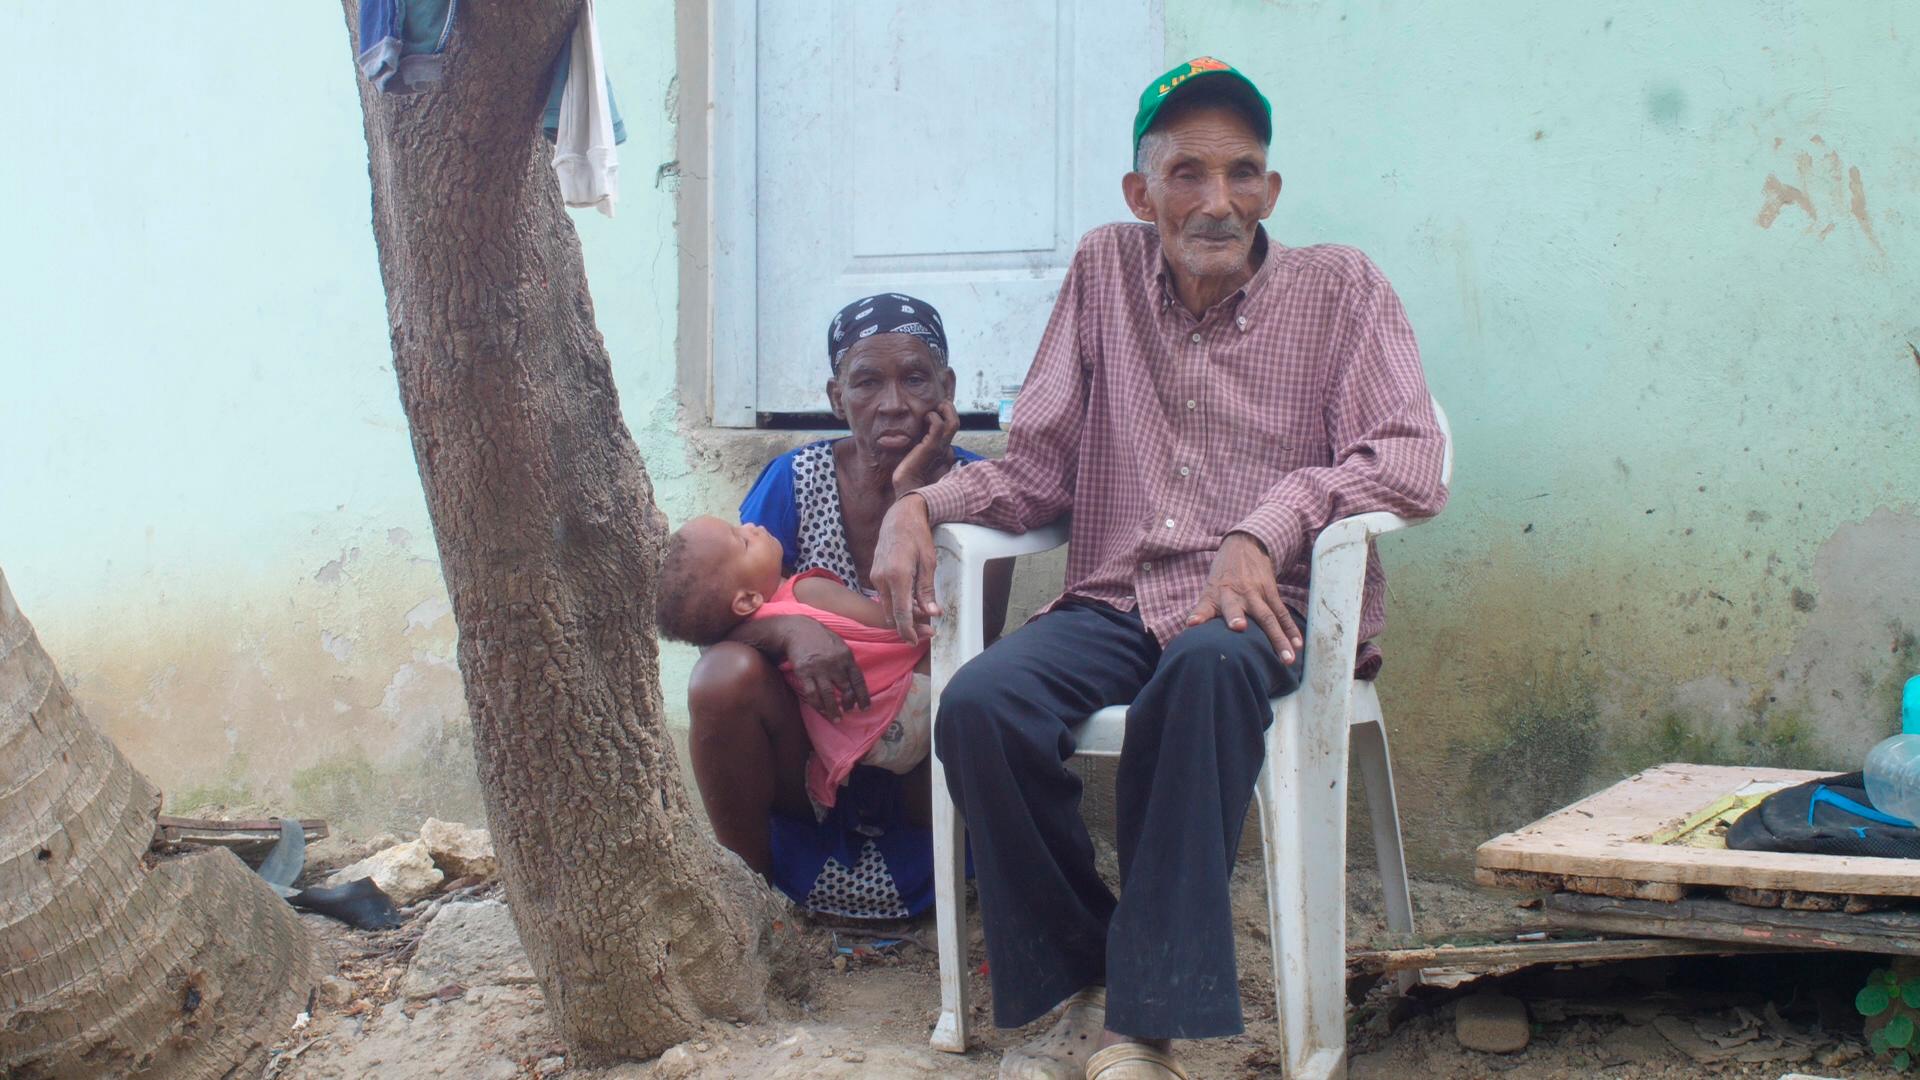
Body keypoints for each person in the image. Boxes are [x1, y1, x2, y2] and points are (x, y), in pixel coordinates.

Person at [868, 59, 1450, 1079]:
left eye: (1242, 173)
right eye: (1187, 174)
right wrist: (921, 504)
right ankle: (1089, 959)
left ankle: (1141, 1028)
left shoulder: (1341, 286)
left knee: (1204, 673)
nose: (1217, 201)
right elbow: (1040, 467)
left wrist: (1267, 525)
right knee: (981, 707)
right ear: (1143, 195)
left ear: (1271, 190)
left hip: (1264, 611)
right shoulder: (1103, 271)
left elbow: (1409, 460)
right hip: (1115, 599)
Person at [683, 294, 1012, 921]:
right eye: (867, 382)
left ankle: (943, 879)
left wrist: (912, 495)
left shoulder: (978, 489)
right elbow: (725, 617)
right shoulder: (792, 480)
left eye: (916, 378)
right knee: (723, 674)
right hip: (805, 759)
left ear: (947, 388)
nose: (893, 402)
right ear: (837, 398)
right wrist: (790, 634)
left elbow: (971, 640)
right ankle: (750, 908)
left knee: (968, 693)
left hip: (918, 768)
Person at [656, 516, 929, 813]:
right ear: (746, 601)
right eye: (743, 541)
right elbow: (891, 624)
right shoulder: (808, 593)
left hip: (864, 746)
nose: (752, 526)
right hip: (905, 710)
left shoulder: (753, 631)